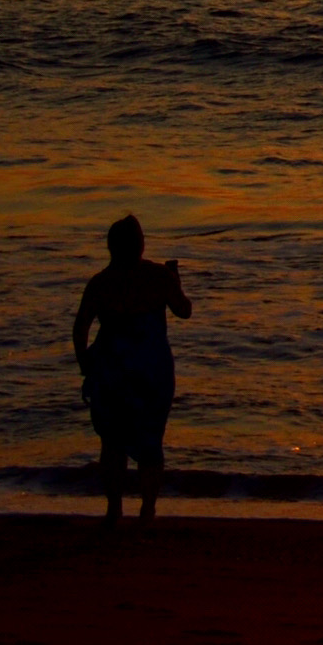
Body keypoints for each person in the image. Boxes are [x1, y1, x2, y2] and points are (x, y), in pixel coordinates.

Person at [73, 214, 192, 525]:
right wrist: (175, 283)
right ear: (140, 245)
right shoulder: (158, 277)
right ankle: (147, 510)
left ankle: (114, 508)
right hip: (151, 370)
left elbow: (80, 327)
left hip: (112, 369)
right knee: (151, 441)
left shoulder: (100, 283)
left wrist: (85, 361)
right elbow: (184, 311)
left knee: (112, 442)